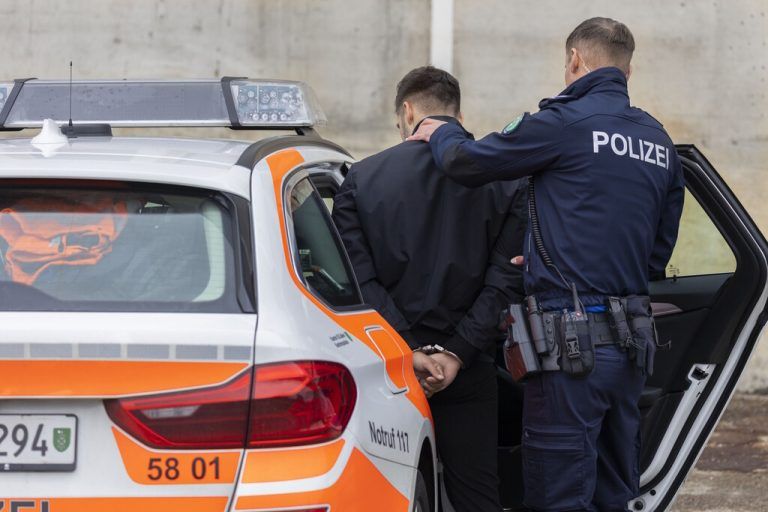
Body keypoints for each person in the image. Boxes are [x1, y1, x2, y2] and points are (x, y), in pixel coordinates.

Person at [409, 18, 684, 512]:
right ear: (629, 68)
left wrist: (440, 132)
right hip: (629, 349)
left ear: (576, 60)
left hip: (569, 352)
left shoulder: (564, 123)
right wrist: (550, 257)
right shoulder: (657, 141)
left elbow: (467, 163)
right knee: (614, 489)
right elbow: (656, 254)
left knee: (557, 492)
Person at [332, 66, 527, 512]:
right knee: (478, 494)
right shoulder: (506, 181)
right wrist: (456, 352)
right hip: (470, 366)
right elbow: (505, 280)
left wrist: (410, 350)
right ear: (458, 112)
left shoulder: (362, 179)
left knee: (390, 493)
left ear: (407, 110)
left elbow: (360, 281)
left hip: (388, 368)